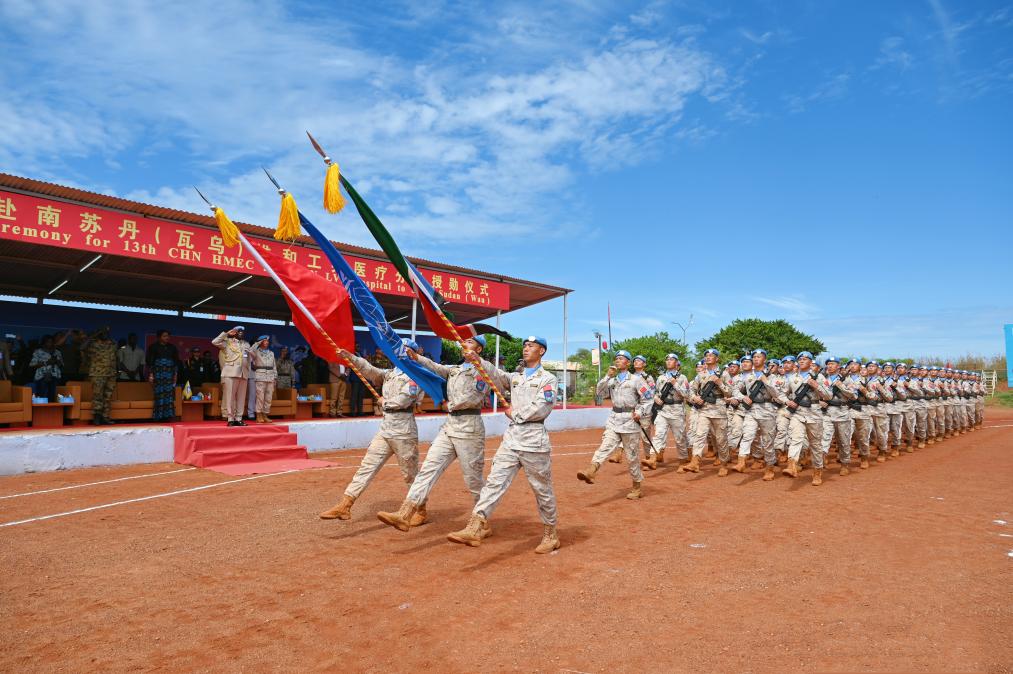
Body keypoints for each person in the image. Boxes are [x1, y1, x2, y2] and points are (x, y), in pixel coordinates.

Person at [447, 336, 560, 554]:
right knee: (494, 483)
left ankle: (550, 533)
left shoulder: (548, 379)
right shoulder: (515, 377)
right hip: (511, 439)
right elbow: (495, 375)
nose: (526, 348)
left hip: (534, 440)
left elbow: (543, 406)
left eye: (531, 346)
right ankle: (476, 524)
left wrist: (515, 414)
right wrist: (477, 359)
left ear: (542, 351)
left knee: (542, 490)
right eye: (525, 345)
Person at [377, 335, 493, 532]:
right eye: (464, 342)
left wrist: (451, 404)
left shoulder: (484, 369)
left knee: (473, 480)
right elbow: (437, 368)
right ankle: (405, 512)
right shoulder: (455, 370)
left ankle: (481, 523)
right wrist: (416, 358)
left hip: (469, 428)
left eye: (470, 342)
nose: (465, 344)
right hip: (450, 427)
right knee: (428, 469)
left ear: (479, 349)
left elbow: (475, 396)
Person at [319, 339, 427, 522]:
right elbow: (370, 371)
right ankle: (345, 505)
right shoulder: (391, 374)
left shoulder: (416, 375)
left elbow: (406, 398)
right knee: (366, 466)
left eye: (405, 349)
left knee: (410, 474)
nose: (399, 352)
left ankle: (421, 510)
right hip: (386, 429)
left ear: (413, 354)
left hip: (404, 430)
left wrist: (385, 402)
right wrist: (351, 358)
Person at [577, 350, 648, 499]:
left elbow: (647, 399)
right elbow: (599, 393)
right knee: (605, 446)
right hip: (614, 419)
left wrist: (640, 412)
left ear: (628, 363)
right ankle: (591, 470)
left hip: (630, 420)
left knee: (631, 456)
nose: (618, 360)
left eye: (621, 358)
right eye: (616, 358)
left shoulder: (636, 380)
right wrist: (608, 375)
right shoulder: (612, 380)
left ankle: (637, 486)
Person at [679, 348, 731, 476]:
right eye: (706, 355)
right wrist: (694, 397)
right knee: (700, 434)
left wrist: (719, 383)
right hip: (704, 409)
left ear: (717, 359)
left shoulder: (724, 374)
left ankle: (724, 464)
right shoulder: (700, 375)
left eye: (711, 355)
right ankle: (695, 462)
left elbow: (729, 392)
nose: (708, 357)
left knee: (721, 439)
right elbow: (691, 390)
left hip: (719, 409)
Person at [781, 351, 830, 485]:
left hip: (814, 413)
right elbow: (782, 393)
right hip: (797, 412)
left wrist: (817, 386)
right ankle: (791, 465)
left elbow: (828, 396)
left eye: (805, 359)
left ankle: (817, 472)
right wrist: (787, 401)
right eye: (800, 359)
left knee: (815, 445)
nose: (802, 361)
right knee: (795, 438)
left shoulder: (819, 377)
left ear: (811, 362)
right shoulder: (791, 378)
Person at [734, 349, 782, 480]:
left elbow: (777, 394)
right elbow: (735, 390)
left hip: (767, 410)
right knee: (747, 435)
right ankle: (741, 461)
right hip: (751, 409)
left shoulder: (773, 377)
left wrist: (765, 381)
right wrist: (743, 398)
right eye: (754, 357)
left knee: (768, 442)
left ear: (764, 360)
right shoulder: (748, 376)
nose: (756, 359)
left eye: (759, 357)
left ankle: (770, 467)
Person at [645, 353, 691, 468]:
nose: (669, 361)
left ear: (676, 363)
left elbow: (686, 394)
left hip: (677, 411)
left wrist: (675, 384)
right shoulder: (661, 378)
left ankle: (682, 461)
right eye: (667, 360)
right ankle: (652, 459)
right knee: (658, 435)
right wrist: (656, 398)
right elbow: (655, 392)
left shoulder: (682, 378)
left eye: (672, 359)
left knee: (680, 438)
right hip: (663, 410)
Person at [821, 356, 858, 476]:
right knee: (824, 438)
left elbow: (854, 396)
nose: (830, 366)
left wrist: (841, 386)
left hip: (842, 412)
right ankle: (820, 462)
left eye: (833, 364)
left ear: (838, 366)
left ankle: (844, 463)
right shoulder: (823, 378)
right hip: (827, 412)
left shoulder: (847, 380)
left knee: (843, 441)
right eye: (828, 364)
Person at [213, 326, 251, 427]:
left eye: (243, 332)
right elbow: (215, 342)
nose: (241, 333)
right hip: (231, 372)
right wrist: (226, 333)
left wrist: (248, 370)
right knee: (230, 397)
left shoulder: (247, 344)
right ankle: (230, 418)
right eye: (239, 331)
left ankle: (239, 418)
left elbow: (248, 359)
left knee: (241, 398)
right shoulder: (227, 342)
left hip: (243, 373)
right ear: (234, 332)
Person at [81, 327, 117, 425]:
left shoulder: (112, 343)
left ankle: (105, 417)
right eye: (103, 332)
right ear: (99, 333)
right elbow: (82, 347)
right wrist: (95, 334)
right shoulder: (93, 344)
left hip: (111, 373)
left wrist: (106, 331)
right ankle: (96, 417)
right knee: (98, 396)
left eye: (106, 333)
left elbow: (115, 351)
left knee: (107, 397)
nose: (105, 334)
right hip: (98, 373)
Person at [146, 329, 179, 422]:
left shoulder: (172, 347)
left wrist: (175, 374)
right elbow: (150, 362)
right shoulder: (153, 347)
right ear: (159, 337)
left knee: (169, 394)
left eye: (168, 336)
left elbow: (176, 362)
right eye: (164, 336)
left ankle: (168, 416)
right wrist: (151, 374)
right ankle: (158, 416)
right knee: (159, 393)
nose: (167, 338)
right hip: (158, 374)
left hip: (169, 374)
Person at [29, 335, 63, 403]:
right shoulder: (38, 352)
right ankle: (42, 411)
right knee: (43, 395)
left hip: (55, 376)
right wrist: (47, 362)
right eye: (48, 342)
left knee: (53, 395)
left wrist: (56, 361)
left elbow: (61, 365)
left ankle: (52, 411)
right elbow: (32, 365)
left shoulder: (57, 352)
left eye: (51, 342)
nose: (50, 343)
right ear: (43, 343)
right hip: (42, 377)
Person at [251, 335, 277, 423]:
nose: (267, 342)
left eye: (267, 341)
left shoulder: (271, 353)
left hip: (270, 377)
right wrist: (257, 343)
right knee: (260, 397)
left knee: (268, 398)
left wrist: (275, 377)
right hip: (260, 376)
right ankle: (258, 415)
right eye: (265, 341)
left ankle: (265, 414)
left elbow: (274, 366)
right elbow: (250, 350)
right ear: (261, 342)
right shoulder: (256, 352)